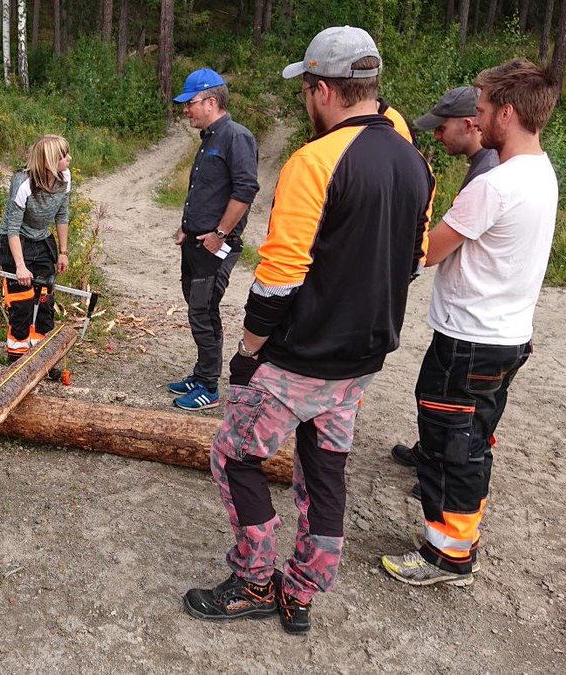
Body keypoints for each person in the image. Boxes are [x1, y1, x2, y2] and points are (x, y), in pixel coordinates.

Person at [182, 26, 434, 634]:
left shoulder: (314, 161)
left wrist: (246, 352)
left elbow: (279, 276)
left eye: (306, 90)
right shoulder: (414, 161)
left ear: (323, 90)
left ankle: (254, 579)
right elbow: (416, 257)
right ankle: (303, 591)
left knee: (235, 456)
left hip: (300, 357)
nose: (305, 102)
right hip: (363, 357)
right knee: (325, 467)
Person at [381, 59, 559, 587]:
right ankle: (456, 541)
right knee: (473, 436)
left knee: (451, 441)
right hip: (505, 336)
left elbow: (428, 251)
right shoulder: (540, 172)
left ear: (507, 112)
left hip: (470, 340)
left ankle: (448, 556)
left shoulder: (496, 185)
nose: (475, 121)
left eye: (480, 110)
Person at [391, 85, 500, 476]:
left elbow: (433, 249)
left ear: (470, 124)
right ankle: (432, 452)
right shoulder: (489, 165)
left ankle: (442, 472)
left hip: (470, 321)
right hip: (475, 316)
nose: (436, 134)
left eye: (442, 127)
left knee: (449, 400)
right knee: (442, 393)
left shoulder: (489, 174)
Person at [166, 68, 259, 411]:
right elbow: (203, 191)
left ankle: (209, 386)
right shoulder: (209, 138)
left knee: (203, 311)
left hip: (215, 245)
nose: (185, 110)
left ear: (211, 101)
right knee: (196, 307)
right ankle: (200, 373)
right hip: (195, 241)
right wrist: (185, 228)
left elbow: (246, 190)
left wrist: (220, 233)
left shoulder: (236, 137)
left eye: (189, 103)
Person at [0, 135, 71, 363]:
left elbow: (62, 214)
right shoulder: (23, 183)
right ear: (49, 160)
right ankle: (16, 357)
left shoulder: (64, 178)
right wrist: (20, 266)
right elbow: (12, 227)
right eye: (63, 156)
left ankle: (43, 357)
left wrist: (63, 252)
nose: (69, 159)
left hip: (42, 240)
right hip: (17, 241)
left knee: (45, 298)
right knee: (22, 301)